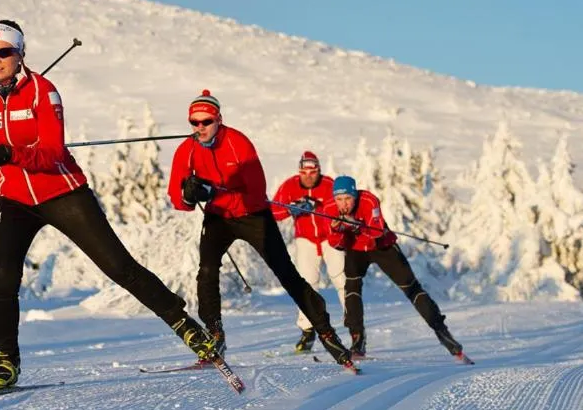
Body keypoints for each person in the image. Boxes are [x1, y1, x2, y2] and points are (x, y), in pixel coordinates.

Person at [0, 20, 219, 390]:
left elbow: (54, 153)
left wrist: (11, 153)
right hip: (14, 198)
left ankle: (187, 328)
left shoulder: (44, 92)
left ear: (20, 53)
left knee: (119, 267)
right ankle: (6, 361)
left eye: (4, 52)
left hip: (62, 192)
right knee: (2, 282)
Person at [167, 90, 355, 368]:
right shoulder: (187, 149)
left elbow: (256, 193)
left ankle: (325, 331)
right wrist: (189, 195)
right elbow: (178, 200)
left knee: (287, 274)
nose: (199, 128)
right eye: (194, 123)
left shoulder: (238, 143)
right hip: (218, 218)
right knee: (206, 271)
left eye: (205, 121)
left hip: (252, 214)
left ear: (219, 119)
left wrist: (212, 190)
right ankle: (215, 333)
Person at [322, 175, 467, 360]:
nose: (344, 204)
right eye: (339, 199)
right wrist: (337, 230)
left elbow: (375, 232)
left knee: (411, 287)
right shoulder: (328, 209)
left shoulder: (369, 200)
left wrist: (357, 226)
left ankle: (442, 331)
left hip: (382, 246)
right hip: (356, 250)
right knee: (351, 286)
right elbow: (336, 244)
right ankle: (357, 338)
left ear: (355, 196)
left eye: (348, 198)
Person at [271, 150, 346, 353]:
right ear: (299, 171)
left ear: (319, 171)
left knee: (341, 279)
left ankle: (354, 327)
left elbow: (340, 208)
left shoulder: (329, 184)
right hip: (306, 240)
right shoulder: (290, 186)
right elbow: (274, 212)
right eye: (305, 172)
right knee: (306, 283)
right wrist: (292, 208)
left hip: (330, 237)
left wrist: (318, 208)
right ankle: (307, 329)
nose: (309, 176)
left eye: (313, 172)